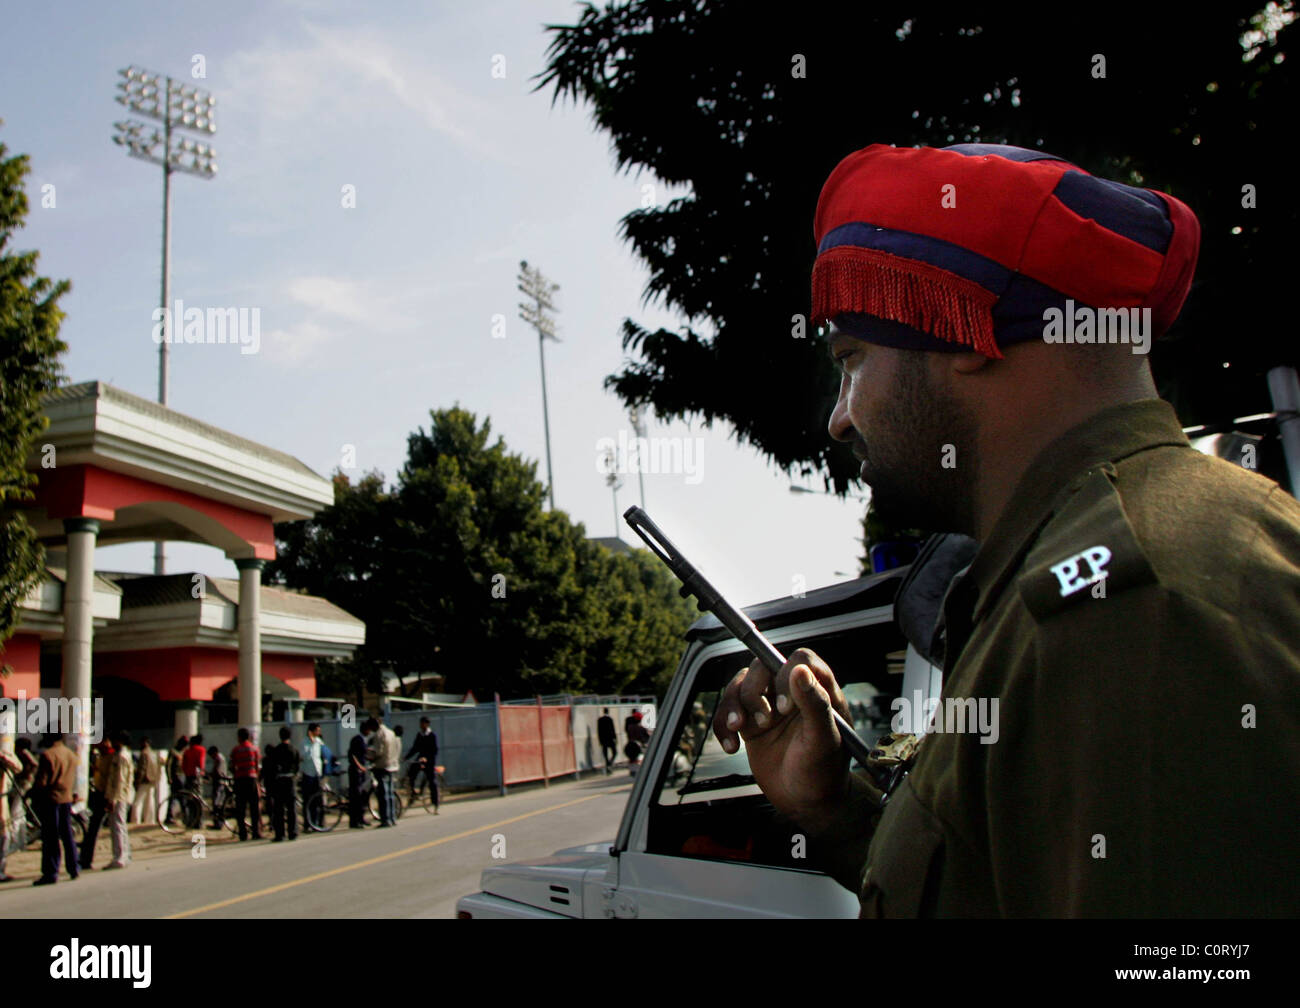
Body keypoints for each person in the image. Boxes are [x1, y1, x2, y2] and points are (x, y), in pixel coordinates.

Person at [712, 142, 1300, 917]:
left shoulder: (1126, 610)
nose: (840, 417)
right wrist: (830, 809)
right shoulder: (1069, 579)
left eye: (852, 359)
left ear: (956, 325)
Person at [31, 734, 80, 885]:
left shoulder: (48, 755)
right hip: (66, 798)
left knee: (51, 837)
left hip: (51, 799)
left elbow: (42, 782)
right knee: (67, 835)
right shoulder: (71, 754)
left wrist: (32, 794)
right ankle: (74, 868)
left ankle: (51, 872)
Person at [78, 738, 114, 871]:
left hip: (105, 795)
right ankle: (85, 858)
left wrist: (110, 798)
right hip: (98, 792)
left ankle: (86, 858)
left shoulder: (112, 757)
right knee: (92, 829)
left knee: (95, 828)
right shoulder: (100, 756)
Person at [103, 730, 134, 870]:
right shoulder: (124, 754)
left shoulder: (121, 756)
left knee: (117, 827)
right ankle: (125, 855)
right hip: (122, 795)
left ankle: (120, 856)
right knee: (121, 826)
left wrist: (113, 799)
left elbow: (120, 780)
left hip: (119, 796)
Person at [268, 727, 300, 842]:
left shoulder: (276, 750)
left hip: (279, 780)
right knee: (291, 807)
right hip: (290, 780)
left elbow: (272, 767)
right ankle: (293, 832)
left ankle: (280, 834)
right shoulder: (294, 750)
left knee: (279, 809)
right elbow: (297, 766)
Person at [229, 728, 261, 841]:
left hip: (240, 780)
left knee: (240, 809)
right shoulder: (255, 749)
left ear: (239, 737)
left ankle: (243, 833)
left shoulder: (236, 750)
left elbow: (232, 766)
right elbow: (257, 767)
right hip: (252, 779)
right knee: (254, 808)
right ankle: (256, 832)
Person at [369, 715, 400, 826]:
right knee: (390, 793)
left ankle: (385, 819)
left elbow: (378, 752)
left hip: (382, 766)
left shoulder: (379, 735)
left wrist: (370, 758)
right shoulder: (390, 732)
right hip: (392, 765)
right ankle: (392, 818)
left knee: (383, 795)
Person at [404, 716, 439, 812]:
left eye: (423, 723)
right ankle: (413, 794)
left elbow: (434, 751)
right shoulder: (419, 735)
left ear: (427, 724)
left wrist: (427, 759)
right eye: (421, 723)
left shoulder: (432, 735)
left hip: (429, 761)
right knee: (410, 774)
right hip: (420, 759)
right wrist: (406, 757)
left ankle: (435, 802)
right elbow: (415, 748)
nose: (421, 725)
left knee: (432, 781)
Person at [0, 744, 21, 882]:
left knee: (4, 836)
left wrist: (6, 759)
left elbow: (18, 767)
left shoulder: (4, 753)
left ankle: (1, 869)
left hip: (2, 800)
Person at [347, 722, 373, 829]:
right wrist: (359, 766)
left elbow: (364, 754)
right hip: (355, 771)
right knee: (356, 796)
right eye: (368, 730)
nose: (369, 732)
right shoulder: (357, 739)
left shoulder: (363, 740)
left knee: (362, 795)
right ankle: (354, 821)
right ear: (364, 729)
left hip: (361, 771)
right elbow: (352, 755)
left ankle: (361, 818)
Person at [300, 722, 325, 832]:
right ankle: (307, 824)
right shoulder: (304, 742)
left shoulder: (319, 742)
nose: (318, 732)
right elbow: (304, 756)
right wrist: (311, 742)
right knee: (308, 800)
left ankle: (316, 822)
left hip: (317, 773)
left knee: (317, 800)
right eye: (317, 730)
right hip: (308, 773)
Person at [131, 738, 159, 825]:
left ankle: (135, 820)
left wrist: (137, 781)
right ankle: (150, 820)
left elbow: (142, 769)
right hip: (153, 780)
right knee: (150, 801)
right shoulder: (153, 753)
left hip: (145, 780)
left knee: (137, 802)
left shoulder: (144, 754)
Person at [623, 711, 649, 776]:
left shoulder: (630, 727)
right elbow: (646, 737)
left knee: (631, 758)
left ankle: (632, 769)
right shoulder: (641, 728)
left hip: (630, 746)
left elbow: (628, 736)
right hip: (639, 746)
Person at [596, 708, 617, 775]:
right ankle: (610, 763)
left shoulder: (600, 720)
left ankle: (607, 764)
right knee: (614, 752)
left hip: (604, 739)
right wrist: (615, 738)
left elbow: (599, 731)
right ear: (608, 712)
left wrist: (600, 740)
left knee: (605, 754)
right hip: (610, 738)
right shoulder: (610, 719)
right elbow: (613, 729)